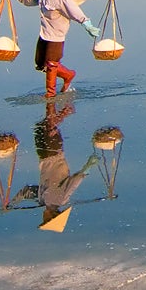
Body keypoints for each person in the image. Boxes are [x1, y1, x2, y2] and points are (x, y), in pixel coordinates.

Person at [7, 0, 100, 98]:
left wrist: (87, 24)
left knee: (51, 64)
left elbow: (75, 12)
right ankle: (68, 75)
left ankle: (50, 94)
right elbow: (27, 0)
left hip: (57, 35)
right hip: (44, 33)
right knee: (41, 64)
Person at [34, 99, 98, 231]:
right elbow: (74, 182)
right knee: (50, 125)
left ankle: (58, 104)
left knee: (40, 126)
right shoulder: (60, 200)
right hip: (54, 154)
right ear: (51, 216)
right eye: (45, 219)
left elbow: (28, 191)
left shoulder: (42, 200)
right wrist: (88, 166)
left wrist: (11, 203)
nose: (43, 216)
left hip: (43, 155)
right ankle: (62, 107)